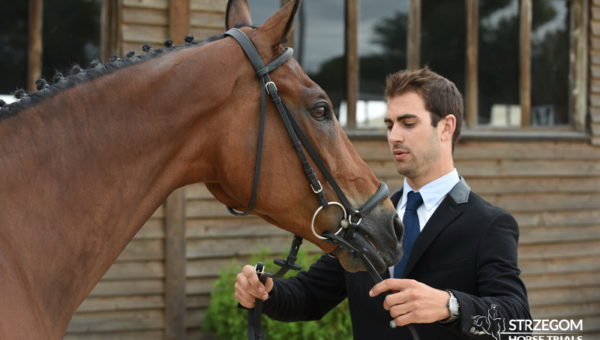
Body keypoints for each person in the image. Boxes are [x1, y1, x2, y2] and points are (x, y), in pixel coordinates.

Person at [234, 67, 531, 339]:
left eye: (408, 123)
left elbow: (517, 321)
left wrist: (450, 305)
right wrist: (267, 291)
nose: (394, 136)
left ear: (446, 127)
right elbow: (311, 295)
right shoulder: (365, 218)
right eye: (390, 124)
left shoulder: (489, 223)